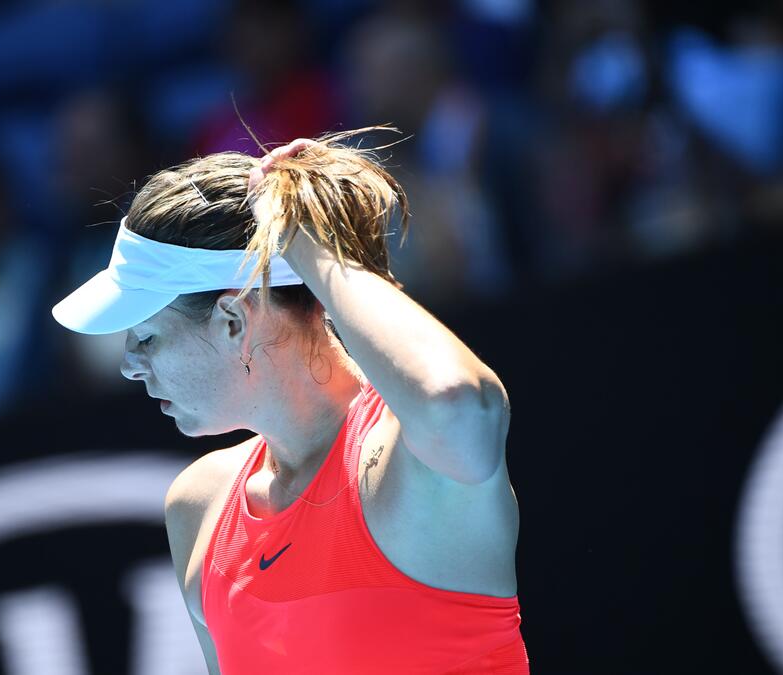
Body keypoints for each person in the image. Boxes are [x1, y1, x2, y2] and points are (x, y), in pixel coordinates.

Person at [51, 130, 528, 674]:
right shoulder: (198, 506)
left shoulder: (406, 464)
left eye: (146, 338)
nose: (130, 365)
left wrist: (313, 251)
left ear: (234, 321)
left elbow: (457, 400)